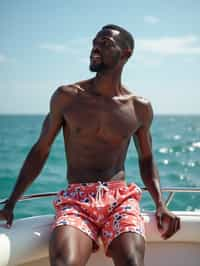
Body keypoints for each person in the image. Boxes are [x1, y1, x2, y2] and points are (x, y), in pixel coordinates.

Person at [0, 24, 180, 266]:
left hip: (120, 199)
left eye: (105, 43)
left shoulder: (139, 108)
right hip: (76, 199)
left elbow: (146, 159)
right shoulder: (68, 97)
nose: (96, 47)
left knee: (132, 262)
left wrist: (160, 204)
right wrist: (11, 203)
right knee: (65, 262)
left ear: (126, 53)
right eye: (95, 42)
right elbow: (41, 151)